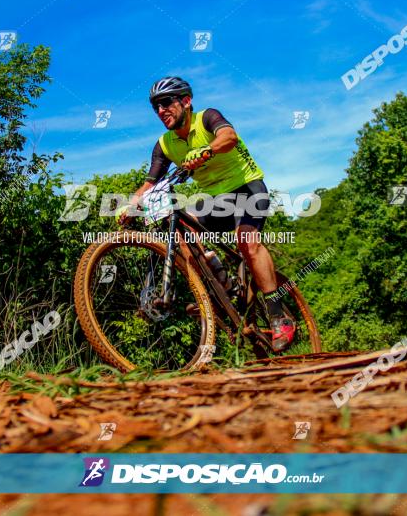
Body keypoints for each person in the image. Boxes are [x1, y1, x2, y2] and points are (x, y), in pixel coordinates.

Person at [118, 76, 295, 351]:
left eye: (166, 103)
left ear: (186, 101)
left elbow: (229, 137)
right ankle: (219, 283)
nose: (161, 111)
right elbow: (150, 183)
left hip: (248, 188)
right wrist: (132, 204)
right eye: (156, 107)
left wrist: (206, 150)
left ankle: (278, 315)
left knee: (247, 242)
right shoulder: (165, 144)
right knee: (179, 227)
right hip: (217, 200)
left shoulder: (206, 118)